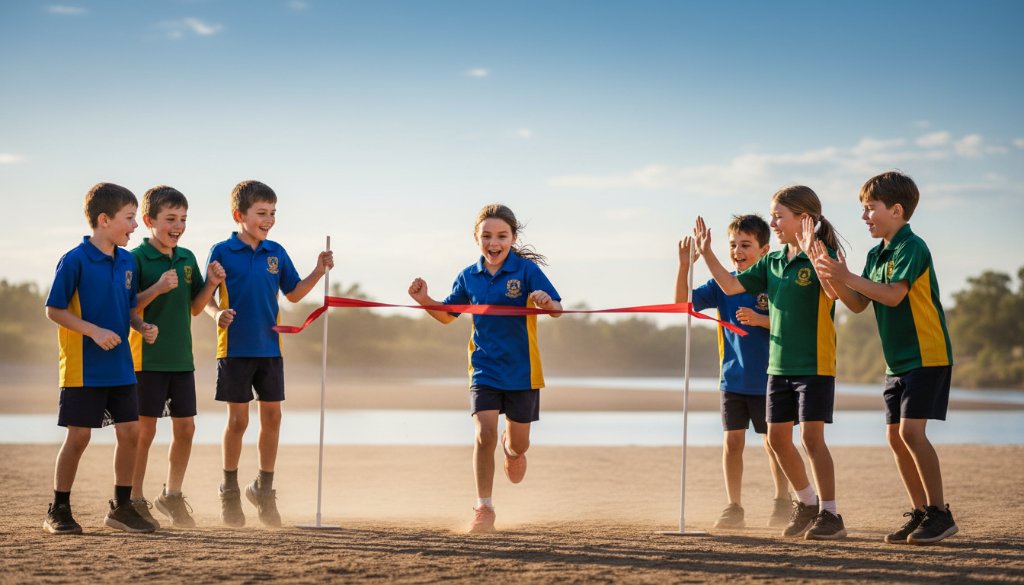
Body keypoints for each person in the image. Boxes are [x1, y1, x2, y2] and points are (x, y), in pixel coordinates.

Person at [693, 185, 847, 540]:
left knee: (811, 438)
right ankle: (806, 503)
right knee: (778, 440)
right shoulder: (772, 261)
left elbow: (839, 295)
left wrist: (814, 253)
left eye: (779, 216)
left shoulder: (824, 254)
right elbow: (731, 287)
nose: (773, 222)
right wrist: (707, 254)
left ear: (803, 219)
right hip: (776, 367)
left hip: (814, 363)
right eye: (773, 215)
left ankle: (831, 512)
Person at [812, 171, 957, 545]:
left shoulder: (912, 247)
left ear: (896, 210)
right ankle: (922, 512)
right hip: (897, 362)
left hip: (927, 355)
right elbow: (859, 303)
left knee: (911, 432)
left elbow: (893, 295)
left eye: (869, 208)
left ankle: (941, 514)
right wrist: (829, 276)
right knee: (895, 438)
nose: (864, 217)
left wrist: (846, 274)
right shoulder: (877, 254)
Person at [408, 203, 562, 534]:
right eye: (487, 236)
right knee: (483, 433)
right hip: (484, 368)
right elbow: (448, 315)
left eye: (501, 236)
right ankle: (484, 508)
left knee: (518, 444)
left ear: (512, 238)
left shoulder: (525, 271)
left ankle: (512, 448)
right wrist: (425, 300)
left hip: (523, 370)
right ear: (476, 239)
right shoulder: (468, 276)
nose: (494, 243)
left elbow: (558, 309)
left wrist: (546, 303)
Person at [205, 180, 333, 527]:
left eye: (273, 213)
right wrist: (218, 313)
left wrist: (318, 272)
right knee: (238, 421)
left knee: (273, 418)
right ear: (239, 215)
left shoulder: (276, 252)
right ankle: (229, 490)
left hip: (270, 348)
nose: (269, 219)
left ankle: (264, 488)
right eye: (261, 213)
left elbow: (293, 294)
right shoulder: (221, 251)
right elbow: (206, 299)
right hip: (233, 349)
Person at [43, 182, 160, 534]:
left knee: (131, 432)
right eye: (129, 218)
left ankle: (121, 508)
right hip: (83, 366)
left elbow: (126, 309)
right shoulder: (75, 260)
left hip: (121, 365)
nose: (135, 225)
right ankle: (58, 509)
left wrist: (141, 325)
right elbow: (53, 310)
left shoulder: (127, 261)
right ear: (104, 219)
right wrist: (93, 331)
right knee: (79, 437)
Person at [675, 214, 790, 530]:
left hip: (770, 378)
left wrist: (761, 319)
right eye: (733, 245)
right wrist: (686, 264)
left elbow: (794, 322)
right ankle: (734, 506)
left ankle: (783, 499)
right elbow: (682, 305)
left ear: (764, 249)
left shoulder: (774, 282)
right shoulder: (720, 284)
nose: (738, 251)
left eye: (746, 245)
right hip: (733, 380)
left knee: (773, 443)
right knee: (732, 443)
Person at [128, 186, 226, 528]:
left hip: (181, 359)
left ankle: (171, 494)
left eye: (183, 219)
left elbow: (196, 308)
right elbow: (126, 307)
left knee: (186, 428)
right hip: (146, 360)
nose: (178, 226)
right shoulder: (135, 259)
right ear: (148, 220)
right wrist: (156, 288)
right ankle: (134, 498)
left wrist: (211, 283)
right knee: (145, 431)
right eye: (170, 219)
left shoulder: (186, 258)